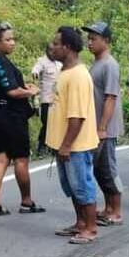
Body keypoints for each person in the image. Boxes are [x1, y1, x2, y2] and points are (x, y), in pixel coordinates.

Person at [0, 20, 45, 217]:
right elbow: (12, 91)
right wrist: (31, 92)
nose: (12, 43)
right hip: (10, 115)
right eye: (7, 40)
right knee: (21, 159)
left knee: (0, 157)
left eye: (13, 39)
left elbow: (2, 87)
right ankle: (26, 201)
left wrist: (21, 88)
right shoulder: (1, 62)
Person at [46, 26, 101, 245]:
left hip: (75, 145)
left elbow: (77, 116)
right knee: (71, 186)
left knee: (82, 185)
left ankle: (91, 228)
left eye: (57, 44)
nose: (53, 47)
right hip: (64, 144)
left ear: (67, 48)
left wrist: (67, 145)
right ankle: (80, 223)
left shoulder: (78, 75)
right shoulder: (65, 71)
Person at [84, 21, 125, 227]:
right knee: (100, 169)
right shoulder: (97, 63)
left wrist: (101, 127)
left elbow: (110, 97)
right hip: (98, 127)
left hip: (105, 128)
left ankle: (116, 211)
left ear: (106, 41)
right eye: (89, 39)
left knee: (108, 169)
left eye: (94, 39)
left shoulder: (110, 64)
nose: (89, 42)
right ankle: (108, 208)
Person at [31, 43, 61, 157]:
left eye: (55, 51)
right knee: (47, 124)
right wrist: (35, 73)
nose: (53, 53)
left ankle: (53, 147)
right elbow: (36, 69)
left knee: (56, 124)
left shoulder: (59, 62)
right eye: (51, 51)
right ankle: (41, 147)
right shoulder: (42, 61)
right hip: (46, 100)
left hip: (57, 100)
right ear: (47, 51)